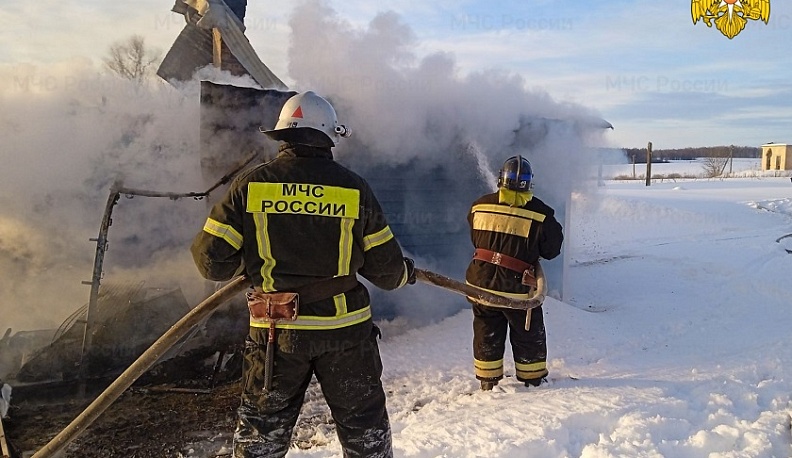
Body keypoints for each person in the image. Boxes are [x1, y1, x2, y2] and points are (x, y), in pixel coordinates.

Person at [191, 91, 415, 457]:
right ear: (328, 136)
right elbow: (387, 273)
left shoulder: (250, 186)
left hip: (275, 337)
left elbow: (211, 262)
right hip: (344, 335)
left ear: (282, 136)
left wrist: (256, 258)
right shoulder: (353, 189)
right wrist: (406, 272)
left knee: (260, 440)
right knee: (365, 435)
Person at [465, 155, 563, 391]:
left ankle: (488, 381)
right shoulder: (542, 214)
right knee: (527, 332)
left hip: (479, 285)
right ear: (529, 184)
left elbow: (476, 240)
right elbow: (552, 251)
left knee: (486, 328)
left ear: (501, 181)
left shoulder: (479, 205)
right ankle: (532, 379)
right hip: (518, 290)